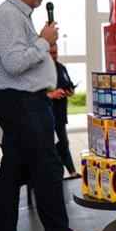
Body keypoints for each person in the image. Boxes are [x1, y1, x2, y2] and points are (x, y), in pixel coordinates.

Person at [0, 0, 101, 231]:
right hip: (23, 104)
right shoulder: (9, 16)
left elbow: (18, 63)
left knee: (12, 173)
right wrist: (43, 41)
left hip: (22, 101)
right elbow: (13, 63)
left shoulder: (14, 16)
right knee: (48, 169)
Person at [47, 44, 80, 179]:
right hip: (47, 113)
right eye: (51, 53)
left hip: (60, 113)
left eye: (56, 53)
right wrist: (52, 94)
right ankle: (58, 173)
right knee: (52, 145)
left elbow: (67, 84)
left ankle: (71, 172)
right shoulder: (41, 71)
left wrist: (70, 91)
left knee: (63, 143)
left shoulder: (61, 68)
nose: (54, 56)